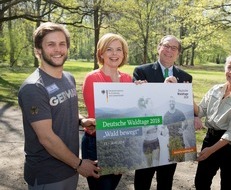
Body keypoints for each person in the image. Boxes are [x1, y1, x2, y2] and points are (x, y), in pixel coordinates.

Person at [18, 22, 100, 190]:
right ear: (38, 50)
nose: (58, 49)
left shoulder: (68, 78)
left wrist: (82, 120)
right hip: (47, 175)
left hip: (68, 169)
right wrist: (79, 164)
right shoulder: (34, 88)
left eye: (62, 44)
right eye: (51, 44)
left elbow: (62, 110)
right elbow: (46, 138)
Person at [132, 35, 193, 190]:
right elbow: (138, 103)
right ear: (158, 48)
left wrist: (195, 116)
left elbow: (185, 104)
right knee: (143, 179)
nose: (169, 50)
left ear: (178, 53)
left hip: (171, 136)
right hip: (149, 136)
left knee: (166, 180)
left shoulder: (185, 77)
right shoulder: (142, 71)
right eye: (166, 46)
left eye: (174, 48)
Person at [194, 54, 231, 190]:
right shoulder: (215, 89)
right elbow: (200, 111)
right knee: (201, 182)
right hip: (211, 139)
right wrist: (185, 95)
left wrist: (210, 151)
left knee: (228, 185)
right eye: (229, 67)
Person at [82, 33, 132, 190]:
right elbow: (97, 118)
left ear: (124, 54)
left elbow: (131, 114)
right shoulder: (92, 78)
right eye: (109, 49)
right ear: (101, 53)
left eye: (119, 49)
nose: (114, 53)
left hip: (121, 143)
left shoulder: (128, 79)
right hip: (97, 144)